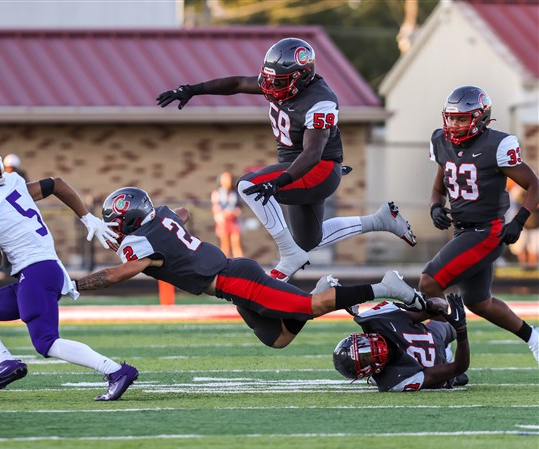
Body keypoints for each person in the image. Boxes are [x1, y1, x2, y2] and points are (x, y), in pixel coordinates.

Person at [157, 37, 417, 282]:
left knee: (247, 186)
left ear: (301, 77)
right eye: (269, 80)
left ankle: (288, 254)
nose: (269, 87)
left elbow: (313, 152)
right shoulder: (278, 82)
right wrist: (192, 90)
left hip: (319, 168)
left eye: (278, 82)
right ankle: (381, 220)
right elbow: (237, 84)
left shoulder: (321, 101)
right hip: (298, 167)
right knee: (308, 240)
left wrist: (280, 181)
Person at [73, 186, 426, 349]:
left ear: (131, 220)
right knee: (278, 339)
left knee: (311, 308)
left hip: (236, 280)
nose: (115, 228)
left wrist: (75, 284)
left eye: (117, 222)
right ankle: (320, 289)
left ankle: (386, 287)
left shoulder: (140, 244)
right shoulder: (162, 217)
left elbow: (114, 275)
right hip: (232, 281)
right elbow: (182, 214)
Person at [0, 144, 138, 401]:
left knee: (46, 342)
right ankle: (6, 363)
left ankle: (116, 371)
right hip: (42, 270)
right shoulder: (12, 183)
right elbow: (57, 184)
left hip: (36, 274)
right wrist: (86, 217)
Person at [420, 85, 539, 362]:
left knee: (429, 282)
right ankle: (534, 337)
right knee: (478, 302)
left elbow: (534, 184)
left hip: (487, 231)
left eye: (462, 118)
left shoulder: (497, 145)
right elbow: (438, 188)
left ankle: (444, 350)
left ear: (481, 118)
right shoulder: (441, 141)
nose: (454, 124)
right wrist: (435, 206)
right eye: (451, 117)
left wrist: (519, 221)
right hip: (462, 229)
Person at [333, 294, 469, 392]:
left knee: (449, 322)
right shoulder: (394, 381)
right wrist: (462, 331)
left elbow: (441, 305)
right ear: (366, 371)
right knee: (455, 375)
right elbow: (458, 367)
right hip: (439, 361)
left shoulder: (377, 320)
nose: (371, 349)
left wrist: (425, 305)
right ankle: (454, 379)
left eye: (364, 344)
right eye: (365, 357)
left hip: (432, 334)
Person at [211, 171, 243, 258]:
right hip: (223, 221)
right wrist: (221, 217)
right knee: (225, 245)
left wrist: (233, 213)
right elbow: (215, 207)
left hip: (234, 220)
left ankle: (240, 264)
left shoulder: (234, 193)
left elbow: (239, 208)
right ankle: (224, 266)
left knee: (236, 243)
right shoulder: (217, 193)